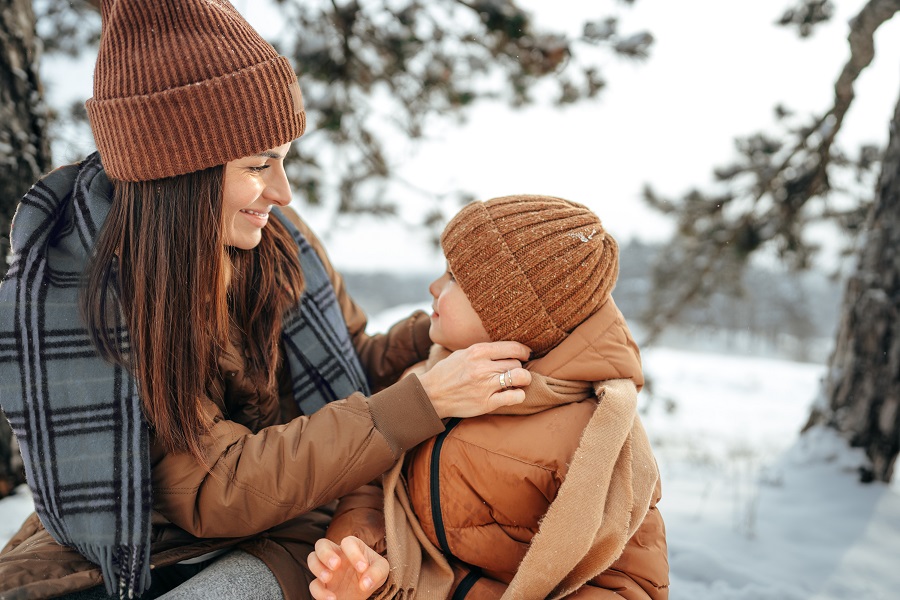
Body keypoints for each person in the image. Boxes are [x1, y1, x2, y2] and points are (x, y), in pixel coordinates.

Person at [0, 2, 531, 599]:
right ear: (181, 175)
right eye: (259, 165)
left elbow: (350, 365)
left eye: (284, 159)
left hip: (294, 522)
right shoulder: (94, 302)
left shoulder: (277, 242)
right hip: (139, 541)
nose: (282, 191)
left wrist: (446, 330)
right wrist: (420, 402)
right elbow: (214, 488)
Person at [308, 195, 670, 600]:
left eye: (454, 278)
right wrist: (361, 554)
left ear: (506, 314)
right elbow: (376, 485)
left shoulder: (596, 438)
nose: (433, 286)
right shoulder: (427, 377)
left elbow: (628, 586)